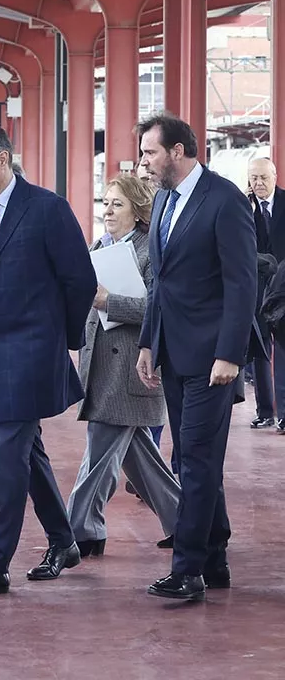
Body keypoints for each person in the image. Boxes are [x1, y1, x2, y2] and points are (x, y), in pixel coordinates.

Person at [0, 121, 96, 598]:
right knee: (29, 453)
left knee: (8, 457)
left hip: (33, 353)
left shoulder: (47, 209)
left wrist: (59, 340)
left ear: (3, 159)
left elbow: (80, 281)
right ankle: (64, 541)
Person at [136, 112, 256, 601]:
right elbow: (158, 282)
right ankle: (216, 559)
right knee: (193, 458)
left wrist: (231, 354)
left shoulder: (224, 200)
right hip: (174, 350)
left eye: (150, 152)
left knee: (197, 461)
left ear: (177, 152)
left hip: (212, 360)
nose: (144, 161)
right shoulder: (164, 198)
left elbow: (242, 282)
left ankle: (187, 570)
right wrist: (148, 341)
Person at [64, 175, 180, 558]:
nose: (107, 210)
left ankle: (74, 532)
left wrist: (109, 301)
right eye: (106, 202)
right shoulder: (99, 246)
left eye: (117, 204)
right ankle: (191, 523)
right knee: (139, 457)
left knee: (98, 455)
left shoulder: (152, 251)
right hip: (100, 365)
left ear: (138, 209)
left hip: (133, 368)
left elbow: (160, 310)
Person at [247, 157, 285, 429]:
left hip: (283, 287)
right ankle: (265, 411)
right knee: (260, 350)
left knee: (282, 349)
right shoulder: (242, 206)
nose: (258, 183)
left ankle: (284, 413)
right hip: (256, 286)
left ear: (275, 177)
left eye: (263, 178)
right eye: (253, 178)